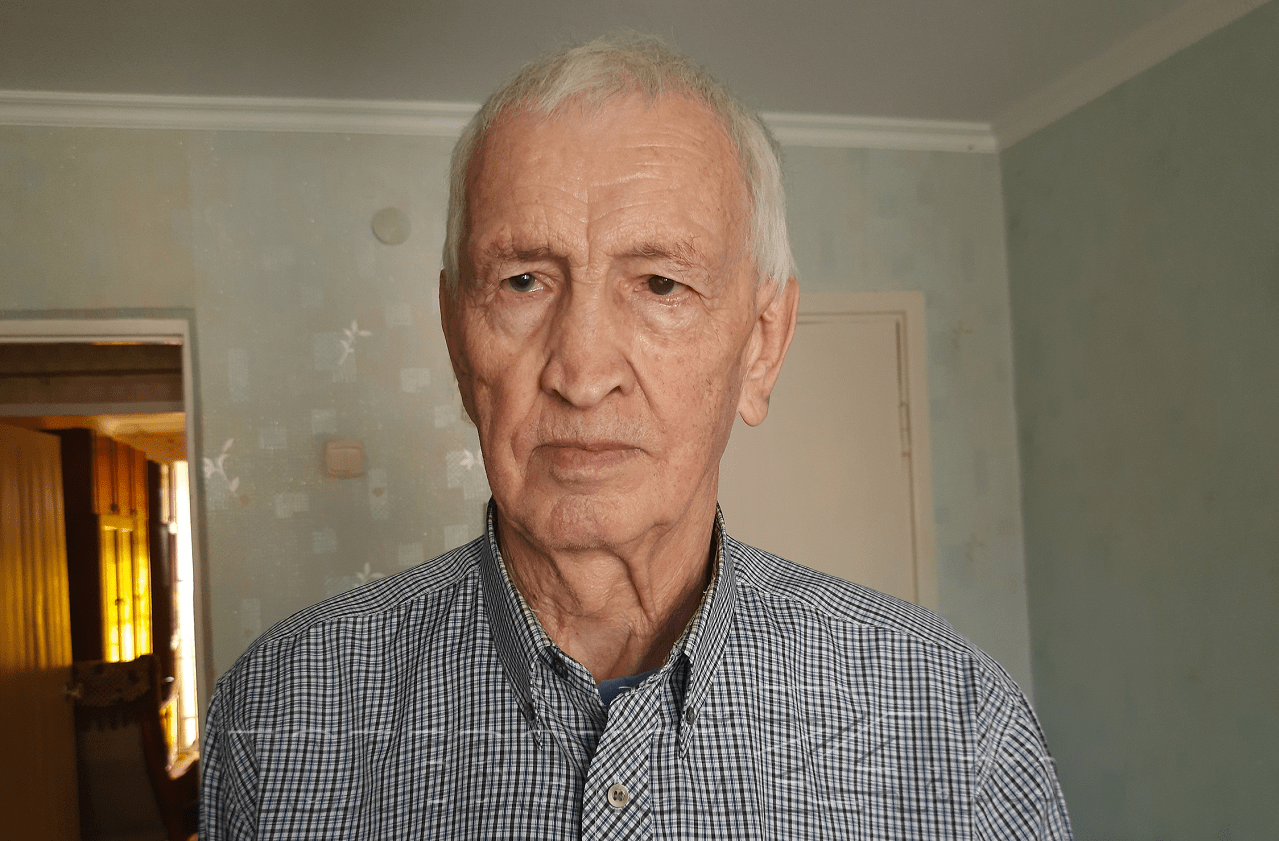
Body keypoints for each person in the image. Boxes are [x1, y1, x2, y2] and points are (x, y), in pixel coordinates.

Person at [201, 34, 1072, 839]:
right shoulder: (278, 711)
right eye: (522, 280)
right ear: (457, 338)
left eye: (660, 283)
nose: (581, 373)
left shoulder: (955, 722)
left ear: (762, 344)